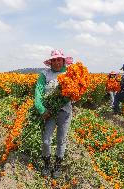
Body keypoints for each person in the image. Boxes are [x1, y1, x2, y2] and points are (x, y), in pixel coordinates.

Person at [34, 49, 73, 178]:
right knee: (46, 140)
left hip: (64, 112)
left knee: (61, 140)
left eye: (59, 59)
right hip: (49, 112)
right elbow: (38, 93)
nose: (56, 62)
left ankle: (57, 166)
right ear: (50, 62)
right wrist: (41, 109)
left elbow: (75, 94)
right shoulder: (45, 74)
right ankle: (46, 164)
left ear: (63, 61)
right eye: (54, 60)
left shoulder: (70, 74)